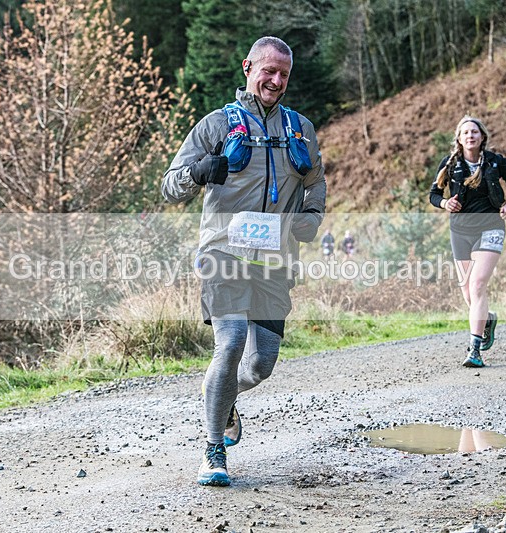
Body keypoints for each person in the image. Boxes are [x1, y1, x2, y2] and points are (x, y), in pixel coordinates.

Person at [161, 36, 326, 486]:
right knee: (230, 342)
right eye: (267, 70)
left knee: (260, 365)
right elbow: (170, 185)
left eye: (283, 74)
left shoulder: (300, 128)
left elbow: (316, 179)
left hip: (274, 259)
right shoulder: (217, 125)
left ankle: (223, 396)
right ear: (247, 67)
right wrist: (199, 171)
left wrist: (311, 215)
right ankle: (214, 451)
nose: (275, 80)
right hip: (223, 252)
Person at [429, 116, 506, 368]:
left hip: (490, 227)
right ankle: (487, 319)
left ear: (482, 137)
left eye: (474, 132)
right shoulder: (449, 164)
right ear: (459, 139)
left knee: (478, 284)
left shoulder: (496, 162)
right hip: (460, 231)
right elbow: (434, 194)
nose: (470, 136)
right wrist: (444, 203)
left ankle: (475, 350)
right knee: (468, 291)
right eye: (465, 132)